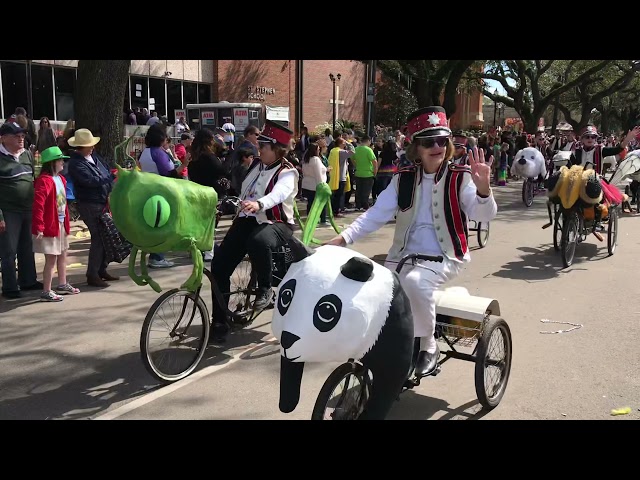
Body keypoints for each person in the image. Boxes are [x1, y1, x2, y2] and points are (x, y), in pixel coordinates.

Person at [325, 106, 497, 377]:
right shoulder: (402, 179)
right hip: (403, 255)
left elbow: (482, 214)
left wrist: (484, 190)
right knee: (370, 285)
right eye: (429, 141)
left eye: (442, 140)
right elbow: (375, 215)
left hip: (446, 255)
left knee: (416, 282)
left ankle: (429, 345)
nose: (437, 146)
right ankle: (388, 341)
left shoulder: (460, 176)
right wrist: (343, 238)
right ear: (416, 147)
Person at [210, 120, 298, 341]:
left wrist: (259, 204)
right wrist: (228, 203)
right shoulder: (256, 165)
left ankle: (265, 289)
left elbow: (277, 194)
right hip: (248, 218)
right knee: (218, 265)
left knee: (258, 241)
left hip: (276, 223)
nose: (259, 148)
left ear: (277, 148)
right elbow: (244, 191)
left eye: (264, 146)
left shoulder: (288, 173)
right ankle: (219, 321)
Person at [67, 128, 118, 288]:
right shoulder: (75, 164)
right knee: (98, 238)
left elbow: (105, 172)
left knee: (105, 237)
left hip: (101, 201)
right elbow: (90, 180)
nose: (92, 147)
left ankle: (101, 269)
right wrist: (110, 177)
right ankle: (93, 273)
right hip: (89, 203)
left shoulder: (93, 157)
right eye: (89, 145)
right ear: (80, 147)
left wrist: (110, 177)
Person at [32, 146, 80, 301]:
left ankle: (62, 283)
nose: (62, 163)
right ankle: (46, 291)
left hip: (61, 224)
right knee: (51, 259)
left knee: (63, 255)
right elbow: (38, 205)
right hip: (50, 226)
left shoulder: (61, 179)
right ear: (52, 162)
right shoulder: (44, 181)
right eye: (60, 160)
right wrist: (38, 226)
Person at [0, 121, 42, 298]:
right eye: (16, 136)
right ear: (3, 139)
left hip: (27, 208)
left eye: (23, 136)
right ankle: (10, 287)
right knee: (9, 250)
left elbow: (32, 178)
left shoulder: (27, 155)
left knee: (27, 247)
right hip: (8, 211)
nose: (21, 138)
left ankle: (28, 281)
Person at [301, 142, 329, 225]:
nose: (319, 150)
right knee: (320, 203)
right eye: (318, 149)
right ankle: (322, 219)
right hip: (315, 185)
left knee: (310, 203)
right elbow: (318, 173)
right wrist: (321, 185)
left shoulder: (306, 159)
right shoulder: (316, 159)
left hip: (307, 184)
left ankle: (311, 219)